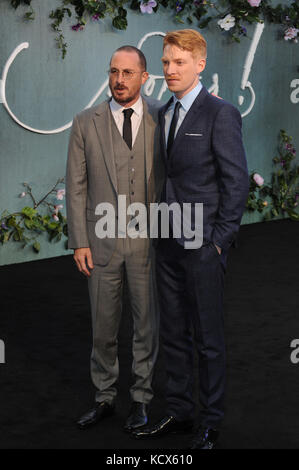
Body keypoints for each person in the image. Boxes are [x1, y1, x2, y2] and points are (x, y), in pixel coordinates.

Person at [133, 29, 249, 449]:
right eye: (165, 63)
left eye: (179, 62)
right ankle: (180, 413)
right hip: (167, 243)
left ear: (200, 64)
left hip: (202, 246)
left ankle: (211, 421)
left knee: (208, 340)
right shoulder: (163, 113)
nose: (170, 70)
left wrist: (218, 241)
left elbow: (236, 183)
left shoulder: (221, 113)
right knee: (174, 334)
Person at [66, 46, 164, 432]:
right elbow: (76, 186)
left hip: (148, 242)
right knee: (103, 327)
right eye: (113, 72)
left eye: (127, 72)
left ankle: (141, 399)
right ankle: (104, 397)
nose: (119, 80)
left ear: (144, 76)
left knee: (146, 327)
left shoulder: (163, 116)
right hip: (101, 241)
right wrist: (79, 241)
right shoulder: (84, 122)